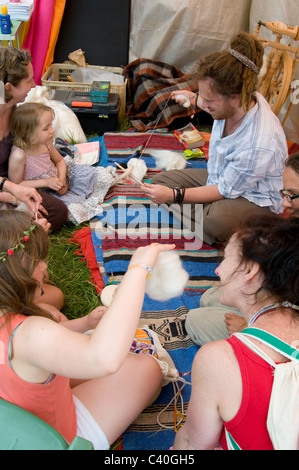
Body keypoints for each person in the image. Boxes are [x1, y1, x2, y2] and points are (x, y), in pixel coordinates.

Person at [0, 210, 172, 449]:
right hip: (55, 438)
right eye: (38, 261)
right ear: (17, 274)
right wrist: (138, 270)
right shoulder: (30, 334)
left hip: (16, 421)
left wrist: (84, 324)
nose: (45, 266)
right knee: (148, 369)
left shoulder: (20, 330)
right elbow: (104, 359)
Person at [142, 32, 288, 245]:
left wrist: (174, 196)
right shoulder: (233, 105)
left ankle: (216, 225)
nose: (205, 105)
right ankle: (201, 214)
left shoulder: (259, 143)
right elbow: (208, 102)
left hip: (256, 198)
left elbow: (223, 190)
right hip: (222, 177)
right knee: (160, 182)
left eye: (209, 100)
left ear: (234, 97)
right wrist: (194, 99)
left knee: (214, 221)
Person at [172, 213, 299, 450]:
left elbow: (192, 444)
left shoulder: (219, 359)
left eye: (226, 257)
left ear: (250, 270)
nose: (218, 269)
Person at [185, 152, 299, 345]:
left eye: (291, 195)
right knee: (210, 298)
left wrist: (250, 328)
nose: (284, 203)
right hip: (282, 304)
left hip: (286, 333)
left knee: (196, 321)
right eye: (283, 193)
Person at [8, 102, 115, 225]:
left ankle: (87, 194)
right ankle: (83, 200)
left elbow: (59, 161)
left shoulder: (46, 143)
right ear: (26, 133)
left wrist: (62, 179)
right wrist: (46, 183)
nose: (52, 130)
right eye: (46, 128)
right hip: (42, 192)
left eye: (51, 125)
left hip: (58, 179)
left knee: (101, 176)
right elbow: (16, 185)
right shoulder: (19, 155)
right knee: (72, 210)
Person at [0, 46, 68, 230]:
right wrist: (13, 196)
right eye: (29, 81)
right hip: (6, 189)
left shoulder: (13, 110)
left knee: (57, 212)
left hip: (16, 181)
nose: (33, 85)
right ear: (8, 87)